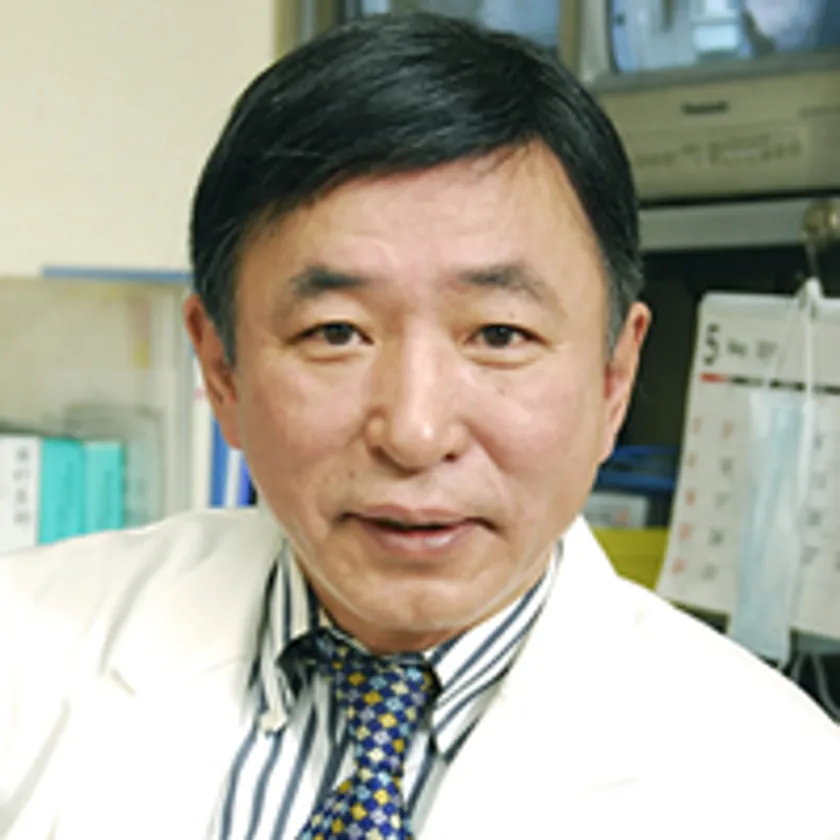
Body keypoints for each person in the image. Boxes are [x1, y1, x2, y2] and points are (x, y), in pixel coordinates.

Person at [1, 12, 839, 840]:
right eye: (336, 333)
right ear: (222, 370)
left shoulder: (788, 791)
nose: (414, 431)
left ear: (613, 378)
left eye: (499, 335)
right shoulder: (24, 650)